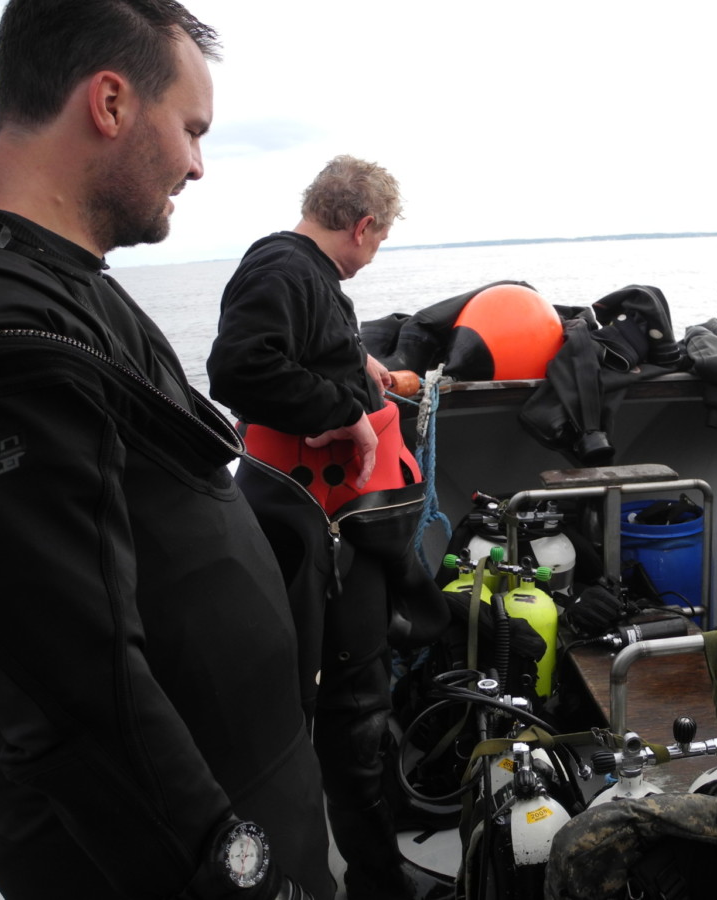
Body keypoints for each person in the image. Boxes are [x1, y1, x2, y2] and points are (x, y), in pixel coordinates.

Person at [0, 3, 333, 899]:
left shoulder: (58, 284)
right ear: (111, 102)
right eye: (191, 129)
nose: (197, 164)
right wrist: (244, 881)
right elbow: (80, 704)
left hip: (250, 788)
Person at [207, 156, 447, 900]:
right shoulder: (285, 269)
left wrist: (356, 366)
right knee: (349, 711)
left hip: (339, 528)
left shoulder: (305, 277)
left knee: (363, 698)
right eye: (380, 241)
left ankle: (374, 846)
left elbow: (296, 354)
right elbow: (238, 368)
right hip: (316, 533)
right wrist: (345, 411)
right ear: (364, 225)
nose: (373, 255)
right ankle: (373, 881)